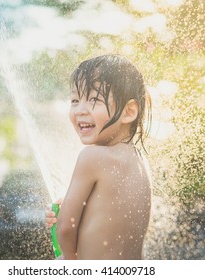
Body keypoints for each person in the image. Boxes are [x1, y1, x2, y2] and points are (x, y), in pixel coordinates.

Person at [46, 54, 152, 260]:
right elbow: (117, 225)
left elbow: (66, 228)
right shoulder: (140, 162)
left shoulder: (92, 157)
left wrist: (68, 259)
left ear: (129, 112)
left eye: (94, 100)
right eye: (75, 100)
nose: (80, 110)